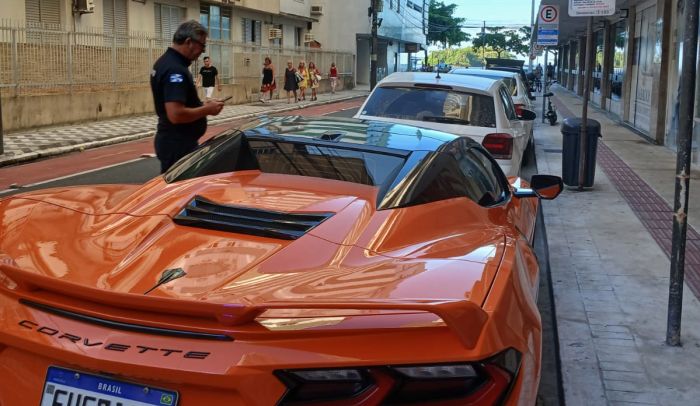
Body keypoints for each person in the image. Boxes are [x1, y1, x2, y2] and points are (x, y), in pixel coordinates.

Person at [150, 20, 224, 174]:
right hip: (178, 144)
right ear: (189, 42)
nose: (203, 51)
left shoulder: (165, 62)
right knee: (178, 192)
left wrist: (202, 104)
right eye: (202, 46)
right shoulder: (175, 70)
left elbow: (177, 102)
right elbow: (176, 114)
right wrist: (207, 109)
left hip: (174, 141)